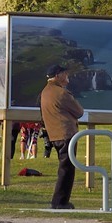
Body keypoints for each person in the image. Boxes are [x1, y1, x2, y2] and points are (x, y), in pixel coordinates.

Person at [40, 63, 85, 210]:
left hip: (54, 134)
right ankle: (60, 202)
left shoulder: (45, 92)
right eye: (65, 74)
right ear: (58, 75)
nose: (67, 77)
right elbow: (79, 112)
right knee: (66, 169)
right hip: (66, 134)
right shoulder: (61, 93)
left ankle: (60, 201)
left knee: (64, 168)